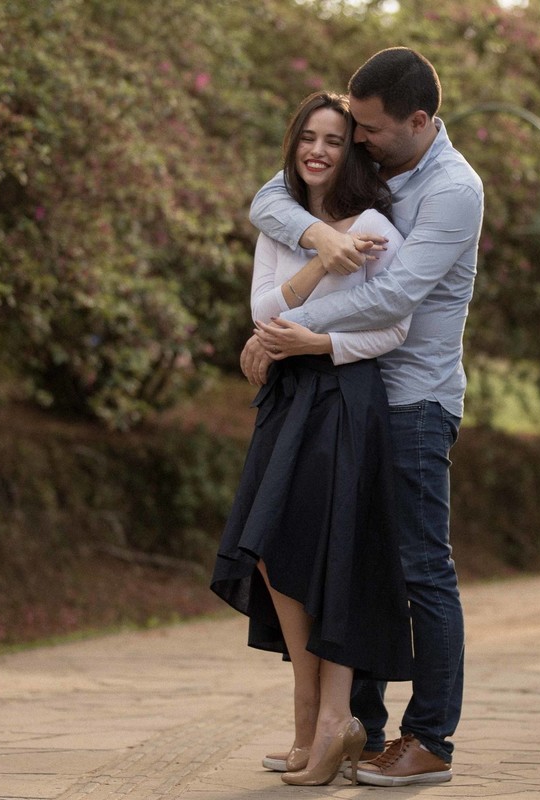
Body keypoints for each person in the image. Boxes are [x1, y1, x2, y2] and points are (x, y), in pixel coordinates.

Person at [242, 47, 484, 787]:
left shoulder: (453, 189)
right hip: (356, 398)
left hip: (413, 400)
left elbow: (393, 299)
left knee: (419, 569)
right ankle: (360, 729)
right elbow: (271, 198)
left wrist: (287, 333)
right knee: (358, 565)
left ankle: (429, 737)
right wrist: (319, 239)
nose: (357, 138)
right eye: (355, 126)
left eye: (370, 129)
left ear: (419, 121)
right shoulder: (377, 164)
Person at [210, 90, 413, 787]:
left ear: (351, 147)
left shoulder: (379, 228)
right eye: (308, 137)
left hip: (342, 396)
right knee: (267, 547)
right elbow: (263, 310)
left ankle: (330, 722)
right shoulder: (286, 224)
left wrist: (318, 342)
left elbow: (395, 327)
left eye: (333, 138)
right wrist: (324, 254)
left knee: (332, 550)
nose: (318, 150)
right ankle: (310, 706)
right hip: (286, 395)